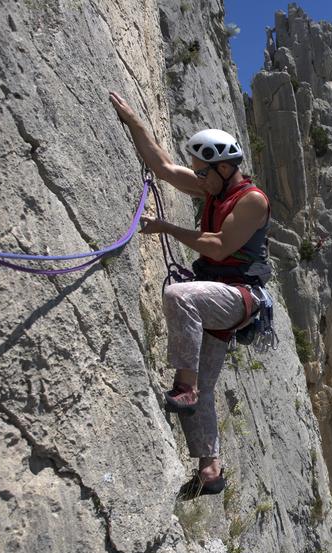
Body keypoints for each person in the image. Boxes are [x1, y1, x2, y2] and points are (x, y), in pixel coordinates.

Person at [109, 92, 271, 500]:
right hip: (217, 295)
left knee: (179, 295)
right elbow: (162, 167)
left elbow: (217, 246)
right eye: (197, 172)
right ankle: (210, 471)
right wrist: (134, 121)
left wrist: (165, 228)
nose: (198, 179)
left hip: (240, 296)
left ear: (223, 167)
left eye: (203, 172)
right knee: (207, 388)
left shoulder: (251, 201)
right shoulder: (212, 190)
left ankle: (185, 385)